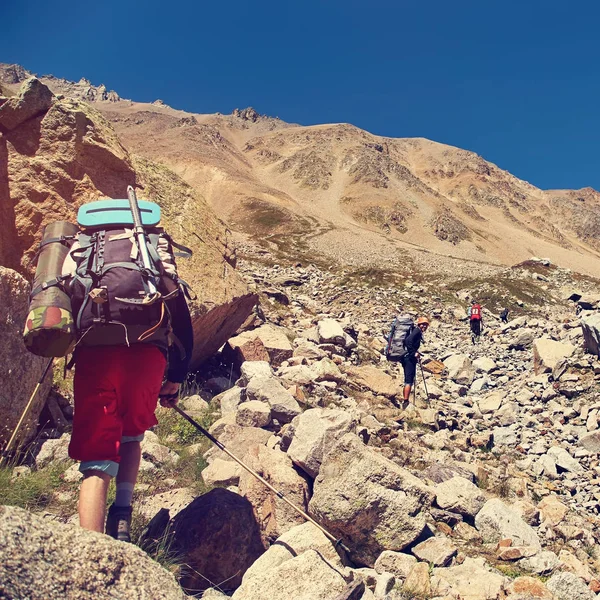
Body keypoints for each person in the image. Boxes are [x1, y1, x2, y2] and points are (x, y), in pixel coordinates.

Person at [64, 212, 194, 542]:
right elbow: (180, 318)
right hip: (146, 356)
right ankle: (121, 518)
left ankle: (91, 551)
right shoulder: (153, 249)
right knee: (133, 434)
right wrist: (174, 378)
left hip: (96, 357)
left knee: (97, 459)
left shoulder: (83, 248)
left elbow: (67, 306)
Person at [399, 316, 429, 403]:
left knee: (409, 379)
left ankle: (406, 400)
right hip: (409, 358)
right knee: (408, 380)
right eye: (423, 324)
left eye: (426, 325)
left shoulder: (416, 331)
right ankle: (405, 402)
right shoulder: (417, 331)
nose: (424, 326)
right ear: (419, 324)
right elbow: (408, 341)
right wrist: (414, 353)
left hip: (407, 357)